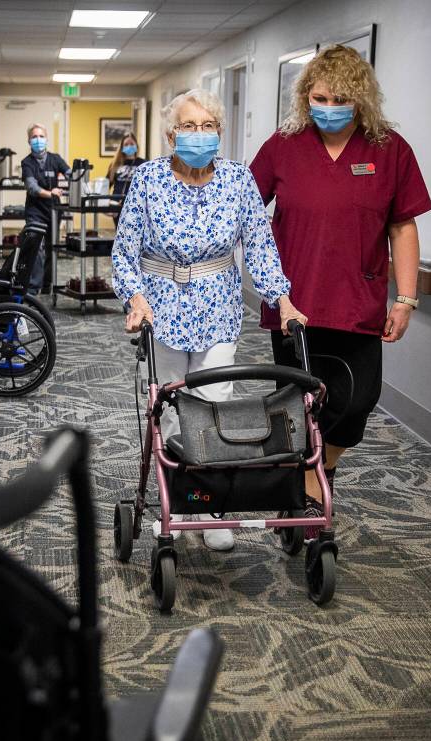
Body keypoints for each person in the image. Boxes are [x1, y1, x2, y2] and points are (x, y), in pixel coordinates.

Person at [249, 45, 431, 538]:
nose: (329, 106)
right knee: (292, 405)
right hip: (293, 302)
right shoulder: (284, 146)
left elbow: (403, 226)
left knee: (356, 401)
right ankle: (301, 491)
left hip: (359, 303)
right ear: (306, 95)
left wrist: (406, 297)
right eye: (320, 97)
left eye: (341, 98)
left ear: (362, 99)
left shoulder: (389, 149)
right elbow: (243, 210)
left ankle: (317, 471)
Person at [112, 89, 306, 552]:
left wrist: (284, 302)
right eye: (188, 126)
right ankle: (181, 500)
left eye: (207, 126)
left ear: (219, 132)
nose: (198, 135)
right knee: (172, 406)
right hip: (160, 305)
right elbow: (124, 251)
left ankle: (211, 502)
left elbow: (259, 246)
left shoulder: (239, 181)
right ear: (170, 134)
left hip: (218, 303)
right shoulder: (148, 179)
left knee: (215, 402)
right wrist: (135, 299)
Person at [20, 124, 70, 294]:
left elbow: (71, 173)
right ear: (29, 140)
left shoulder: (55, 159)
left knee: (51, 249)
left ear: (47, 139)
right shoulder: (27, 163)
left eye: (41, 136)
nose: (38, 140)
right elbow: (32, 188)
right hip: (35, 212)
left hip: (53, 212)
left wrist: (76, 177)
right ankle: (34, 288)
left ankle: (48, 285)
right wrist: (51, 193)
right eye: (34, 137)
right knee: (37, 249)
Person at [106, 132, 146, 197]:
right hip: (116, 203)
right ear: (122, 147)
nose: (129, 146)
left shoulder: (143, 164)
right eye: (126, 144)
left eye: (132, 144)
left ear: (136, 146)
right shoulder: (114, 164)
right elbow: (106, 186)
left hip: (135, 203)